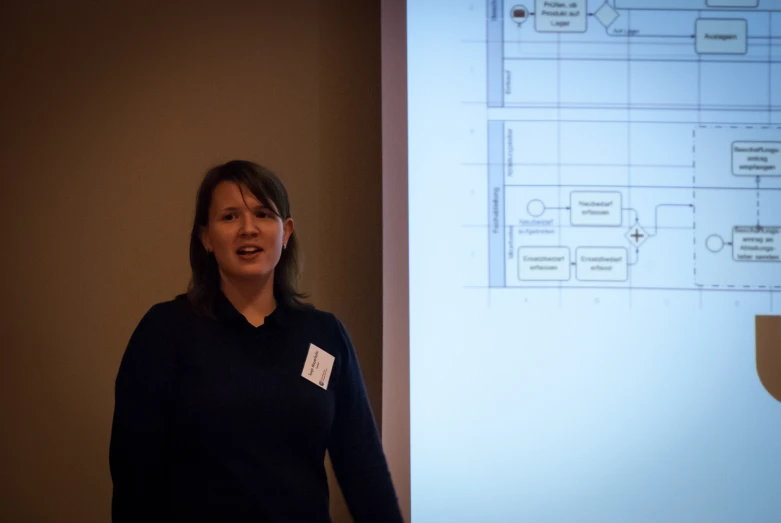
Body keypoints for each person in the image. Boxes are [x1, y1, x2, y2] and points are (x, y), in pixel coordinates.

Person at [109, 160, 403, 522]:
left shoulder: (325, 336)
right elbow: (134, 477)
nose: (248, 229)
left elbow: (364, 469)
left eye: (263, 214)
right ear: (205, 237)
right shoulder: (164, 332)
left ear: (286, 232)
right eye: (230, 217)